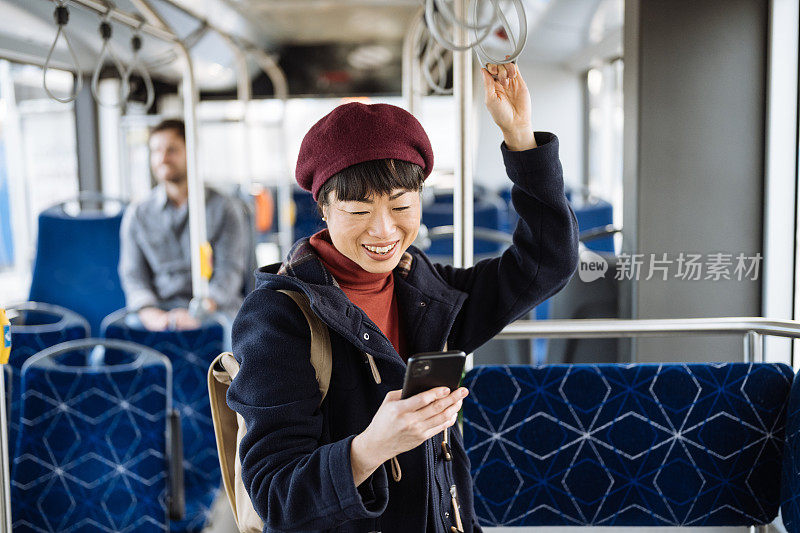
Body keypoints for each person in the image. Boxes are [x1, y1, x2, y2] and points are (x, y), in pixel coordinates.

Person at [228, 63, 579, 532]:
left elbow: (547, 262)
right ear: (323, 210)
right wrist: (371, 447)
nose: (384, 231)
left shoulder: (426, 292)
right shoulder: (279, 317)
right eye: (357, 210)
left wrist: (519, 138)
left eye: (400, 206)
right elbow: (275, 495)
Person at [119, 119, 248, 331]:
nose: (162, 158)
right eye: (156, 151)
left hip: (214, 307)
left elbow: (230, 271)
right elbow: (133, 275)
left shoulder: (224, 208)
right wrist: (149, 311)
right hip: (159, 308)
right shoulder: (138, 214)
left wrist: (202, 309)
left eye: (172, 150)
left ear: (191, 153)